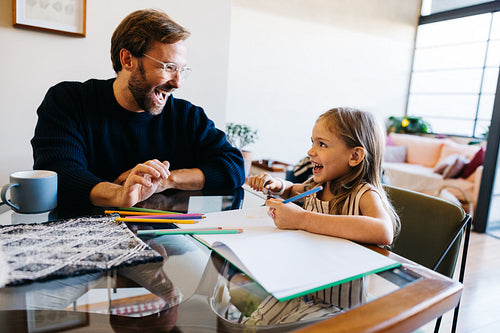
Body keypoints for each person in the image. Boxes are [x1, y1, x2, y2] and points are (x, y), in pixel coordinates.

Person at [31, 9, 245, 209]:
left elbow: (233, 166)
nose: (177, 83)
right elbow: (58, 172)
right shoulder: (68, 101)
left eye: (181, 69)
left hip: (166, 239)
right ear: (127, 59)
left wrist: (165, 180)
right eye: (168, 67)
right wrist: (119, 194)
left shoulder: (187, 116)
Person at [244, 107, 400, 325]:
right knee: (253, 324)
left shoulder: (363, 194)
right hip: (299, 289)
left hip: (339, 307)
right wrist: (279, 185)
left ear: (354, 156)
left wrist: (303, 219)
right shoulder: (318, 185)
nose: (310, 151)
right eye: (312, 142)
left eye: (322, 144)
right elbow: (293, 189)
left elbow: (383, 231)